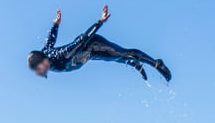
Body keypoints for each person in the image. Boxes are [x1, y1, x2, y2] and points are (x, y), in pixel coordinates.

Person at [28, 5, 172, 82]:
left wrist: (100, 22)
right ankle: (134, 63)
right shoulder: (45, 54)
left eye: (37, 68)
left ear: (43, 61)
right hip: (85, 56)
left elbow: (82, 39)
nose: (37, 72)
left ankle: (156, 63)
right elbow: (49, 41)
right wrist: (55, 24)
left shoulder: (62, 55)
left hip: (92, 45)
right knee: (117, 58)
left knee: (123, 53)